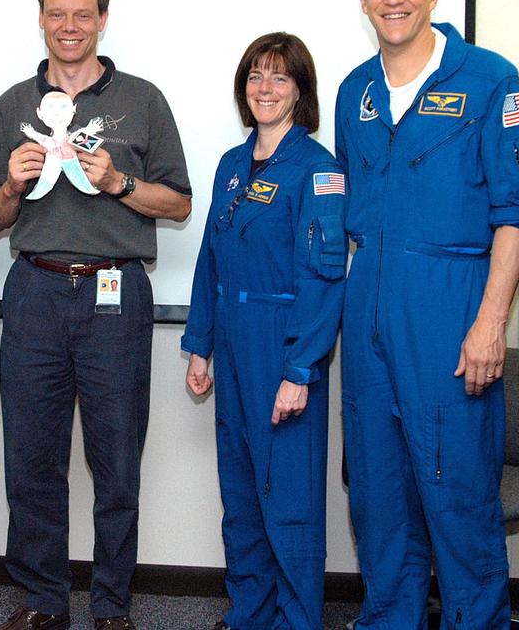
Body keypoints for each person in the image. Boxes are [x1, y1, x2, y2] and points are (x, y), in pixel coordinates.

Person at [334, 0, 519, 630]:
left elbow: (518, 209)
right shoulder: (354, 91)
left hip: (450, 305)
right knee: (378, 493)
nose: (393, 0)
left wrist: (490, 322)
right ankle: (390, 617)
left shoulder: (489, 79)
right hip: (368, 308)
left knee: (457, 496)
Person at [0, 0, 191, 630]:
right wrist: (11, 187)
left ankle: (111, 607)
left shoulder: (143, 99)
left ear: (102, 18)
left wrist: (121, 183)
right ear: (40, 19)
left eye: (82, 14)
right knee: (32, 459)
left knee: (117, 460)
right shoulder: (15, 103)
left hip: (114, 291)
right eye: (56, 14)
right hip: (36, 288)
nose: (69, 27)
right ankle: (42, 600)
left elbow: (179, 202)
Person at [183, 33, 346, 630]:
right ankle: (249, 613)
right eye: (255, 76)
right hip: (228, 341)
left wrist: (300, 369)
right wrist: (198, 343)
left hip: (281, 344)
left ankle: (297, 621)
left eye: (279, 78)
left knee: (290, 500)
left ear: (300, 90)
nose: (265, 89)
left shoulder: (319, 170)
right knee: (244, 496)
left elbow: (324, 279)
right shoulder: (231, 163)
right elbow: (210, 260)